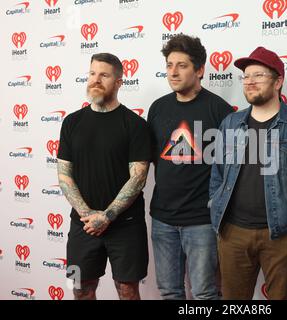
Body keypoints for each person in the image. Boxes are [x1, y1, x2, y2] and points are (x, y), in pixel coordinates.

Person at [209, 47, 287, 300]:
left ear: (279, 81)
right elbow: (217, 174)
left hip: (282, 234)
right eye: (246, 76)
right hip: (232, 232)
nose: (250, 81)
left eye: (259, 75)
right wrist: (215, 205)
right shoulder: (231, 123)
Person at [57, 53, 151, 300]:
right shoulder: (71, 122)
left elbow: (138, 177)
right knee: (78, 286)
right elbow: (64, 176)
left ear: (119, 81)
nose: (95, 80)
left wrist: (107, 216)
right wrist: (89, 216)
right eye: (92, 73)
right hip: (82, 225)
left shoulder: (135, 125)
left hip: (126, 226)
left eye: (104, 75)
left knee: (128, 290)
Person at [147, 34, 234, 300]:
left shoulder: (219, 110)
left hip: (202, 221)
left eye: (181, 65)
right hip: (162, 219)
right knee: (170, 291)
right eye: (169, 64)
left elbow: (229, 169)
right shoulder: (158, 108)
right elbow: (152, 161)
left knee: (205, 293)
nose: (173, 72)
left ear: (199, 70)